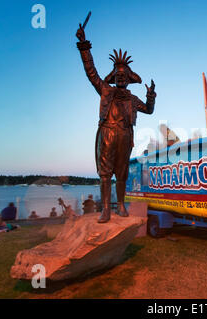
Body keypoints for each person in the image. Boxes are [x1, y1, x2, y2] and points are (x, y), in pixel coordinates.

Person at [76, 23, 156, 223]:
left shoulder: (132, 99)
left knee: (122, 173)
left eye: (124, 75)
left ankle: (120, 205)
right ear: (113, 78)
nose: (121, 77)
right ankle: (105, 209)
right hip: (108, 134)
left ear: (129, 79)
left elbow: (149, 110)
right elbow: (91, 72)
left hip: (125, 135)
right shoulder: (105, 91)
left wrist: (151, 96)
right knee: (105, 173)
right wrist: (84, 47)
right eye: (117, 75)